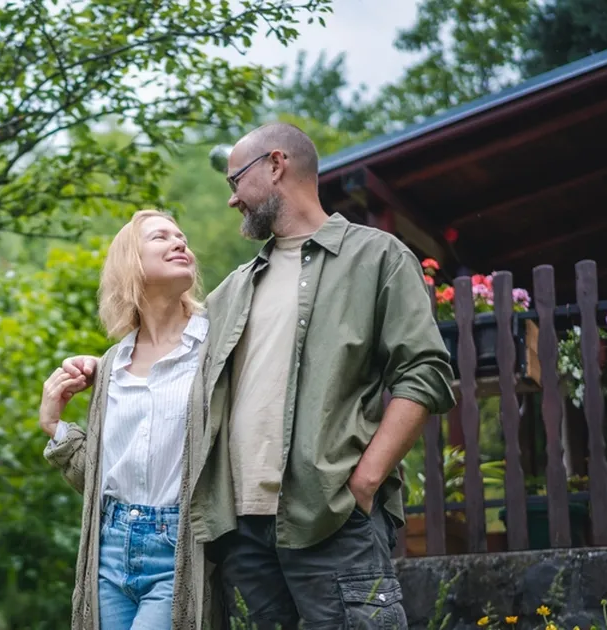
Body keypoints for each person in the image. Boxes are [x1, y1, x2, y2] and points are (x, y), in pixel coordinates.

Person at [60, 122, 456, 629]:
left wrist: (366, 479)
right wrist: (101, 366)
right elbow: (165, 356)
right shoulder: (233, 290)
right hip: (242, 534)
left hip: (331, 516)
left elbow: (423, 371)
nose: (232, 201)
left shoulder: (376, 257)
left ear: (275, 165)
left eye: (235, 182)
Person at [40, 209, 218, 630]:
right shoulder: (111, 366)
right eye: (161, 237)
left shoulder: (213, 348)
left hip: (177, 548)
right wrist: (55, 426)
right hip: (110, 545)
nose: (180, 243)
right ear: (130, 263)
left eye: (182, 236)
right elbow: (103, 481)